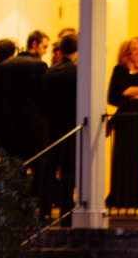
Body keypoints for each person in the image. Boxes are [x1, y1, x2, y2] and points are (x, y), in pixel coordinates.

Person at [0, 30, 51, 173]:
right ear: (35, 44)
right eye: (44, 47)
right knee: (39, 170)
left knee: (14, 171)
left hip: (10, 127)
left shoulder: (5, 66)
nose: (45, 51)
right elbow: (43, 97)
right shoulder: (39, 66)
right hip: (34, 128)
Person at [42, 32, 80, 217]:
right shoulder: (78, 72)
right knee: (68, 169)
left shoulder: (50, 72)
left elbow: (43, 100)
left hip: (52, 127)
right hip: (72, 127)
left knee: (49, 167)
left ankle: (44, 208)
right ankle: (66, 208)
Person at [106, 36, 138, 209]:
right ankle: (122, 198)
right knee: (124, 159)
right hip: (126, 122)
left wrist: (135, 94)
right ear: (127, 52)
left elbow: (132, 93)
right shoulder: (119, 71)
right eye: (136, 48)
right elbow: (123, 92)